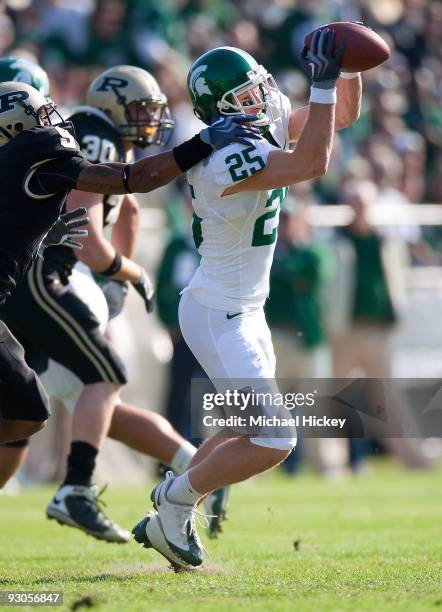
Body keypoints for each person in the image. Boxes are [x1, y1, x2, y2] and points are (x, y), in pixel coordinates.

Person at [132, 30, 362, 570]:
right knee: (275, 437)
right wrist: (324, 83)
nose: (258, 101)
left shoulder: (259, 121)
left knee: (241, 428)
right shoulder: (220, 157)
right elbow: (311, 164)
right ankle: (174, 501)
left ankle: (173, 507)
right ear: (218, 112)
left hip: (244, 308)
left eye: (257, 88)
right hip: (217, 311)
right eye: (242, 100)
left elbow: (339, 120)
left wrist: (348, 69)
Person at [0, 64, 256, 537]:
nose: (55, 122)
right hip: (33, 291)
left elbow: (119, 207)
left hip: (11, 298)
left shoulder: (20, 160)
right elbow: (133, 180)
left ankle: (182, 463)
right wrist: (203, 142)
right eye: (41, 116)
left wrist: (43, 233)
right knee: (58, 396)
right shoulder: (46, 148)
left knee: (31, 411)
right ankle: (77, 489)